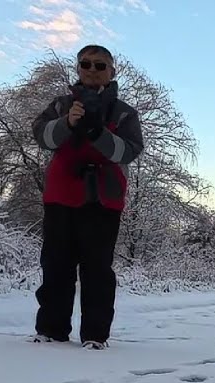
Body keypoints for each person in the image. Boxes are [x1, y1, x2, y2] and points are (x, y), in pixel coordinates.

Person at [29, 44, 145, 349]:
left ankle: (95, 335)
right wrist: (67, 123)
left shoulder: (124, 114)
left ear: (111, 72)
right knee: (55, 265)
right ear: (78, 68)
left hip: (103, 200)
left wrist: (98, 133)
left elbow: (130, 151)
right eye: (86, 64)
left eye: (100, 65)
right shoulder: (61, 105)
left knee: (97, 270)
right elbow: (41, 136)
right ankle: (51, 329)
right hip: (60, 195)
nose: (92, 70)